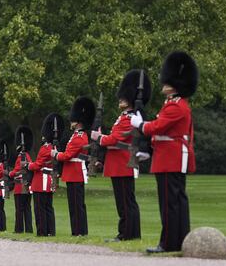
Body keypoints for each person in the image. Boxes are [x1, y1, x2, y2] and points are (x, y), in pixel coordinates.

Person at [130, 52, 197, 253]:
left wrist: (140, 124)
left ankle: (167, 243)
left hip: (171, 158)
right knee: (176, 202)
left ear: (174, 84)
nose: (163, 83)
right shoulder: (173, 104)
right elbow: (162, 131)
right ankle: (178, 240)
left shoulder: (177, 107)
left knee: (170, 203)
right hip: (168, 156)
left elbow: (158, 127)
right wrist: (148, 150)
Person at [92, 69, 149, 242]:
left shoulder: (129, 118)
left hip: (123, 164)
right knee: (123, 202)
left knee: (126, 202)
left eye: (123, 97)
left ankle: (128, 234)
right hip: (117, 164)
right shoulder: (123, 117)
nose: (120, 99)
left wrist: (98, 137)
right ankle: (127, 233)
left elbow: (115, 139)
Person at [54, 97, 94, 236]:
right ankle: (78, 231)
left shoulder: (79, 137)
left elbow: (67, 155)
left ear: (78, 122)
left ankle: (79, 232)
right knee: (75, 205)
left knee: (77, 206)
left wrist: (55, 155)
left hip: (75, 173)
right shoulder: (77, 135)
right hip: (73, 173)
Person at [29, 113, 62, 236]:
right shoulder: (54, 147)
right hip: (50, 180)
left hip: (40, 181)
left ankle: (42, 231)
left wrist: (28, 165)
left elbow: (37, 165)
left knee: (39, 208)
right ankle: (51, 231)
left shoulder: (45, 148)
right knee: (48, 207)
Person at [10, 126, 34, 234]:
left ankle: (19, 229)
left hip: (20, 187)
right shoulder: (27, 155)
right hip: (26, 186)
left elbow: (17, 171)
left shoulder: (21, 156)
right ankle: (28, 229)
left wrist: (10, 173)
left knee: (19, 210)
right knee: (27, 209)